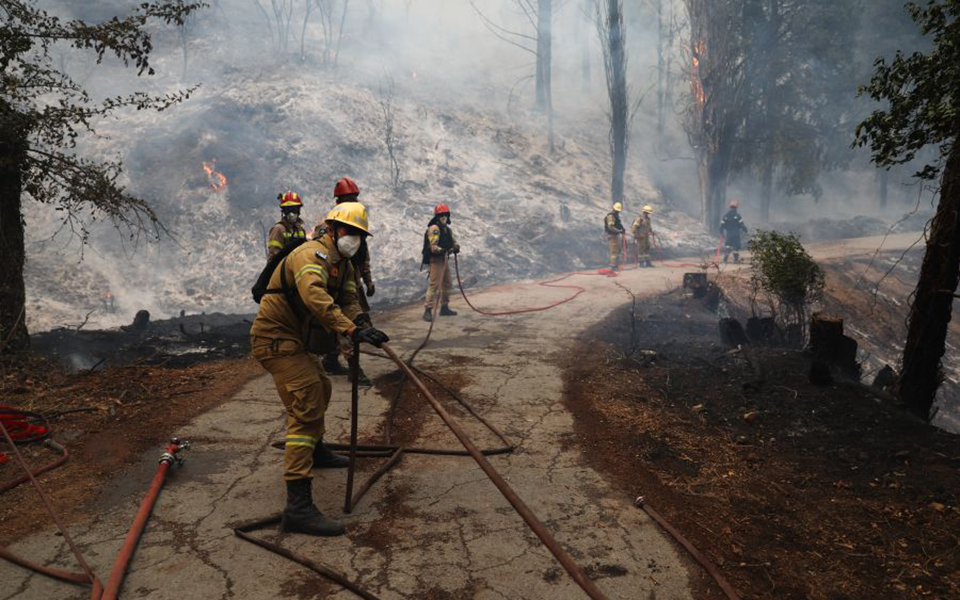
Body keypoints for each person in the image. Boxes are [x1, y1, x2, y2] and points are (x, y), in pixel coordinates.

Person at [250, 202, 389, 537]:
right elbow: (316, 298)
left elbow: (348, 299)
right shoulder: (311, 256)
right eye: (349, 232)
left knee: (322, 388)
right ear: (331, 229)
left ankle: (317, 449)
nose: (354, 239)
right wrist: (351, 331)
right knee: (308, 403)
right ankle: (298, 506)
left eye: (359, 234)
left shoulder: (343, 264)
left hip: (295, 339)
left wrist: (362, 322)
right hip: (275, 339)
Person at [312, 177, 375, 383]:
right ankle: (354, 368)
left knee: (358, 319)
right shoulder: (328, 226)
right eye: (347, 198)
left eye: (353, 198)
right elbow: (318, 255)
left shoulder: (357, 223)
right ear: (338, 201)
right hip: (333, 282)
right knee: (345, 324)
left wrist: (368, 280)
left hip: (352, 280)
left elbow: (363, 255)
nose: (351, 201)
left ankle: (330, 359)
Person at [421, 203, 459, 322]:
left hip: (444, 259)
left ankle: (444, 307)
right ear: (437, 217)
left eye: (445, 215)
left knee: (447, 283)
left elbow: (454, 242)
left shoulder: (447, 230)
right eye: (441, 215)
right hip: (436, 260)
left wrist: (456, 247)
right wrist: (443, 250)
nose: (444, 218)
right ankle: (428, 310)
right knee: (434, 285)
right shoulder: (434, 229)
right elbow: (433, 247)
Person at [267, 191, 307, 259]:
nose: (291, 214)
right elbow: (274, 254)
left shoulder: (301, 230)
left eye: (294, 209)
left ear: (298, 210)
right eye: (288, 210)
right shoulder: (278, 229)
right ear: (284, 211)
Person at [720, 199, 748, 264]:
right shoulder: (738, 216)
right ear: (736, 207)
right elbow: (742, 225)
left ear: (730, 207)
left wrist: (721, 232)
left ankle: (725, 259)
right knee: (736, 246)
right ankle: (735, 260)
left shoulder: (726, 215)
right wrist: (745, 230)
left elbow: (722, 225)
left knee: (728, 245)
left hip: (729, 234)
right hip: (736, 233)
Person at [604, 202, 626, 271]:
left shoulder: (615, 216)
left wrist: (622, 229)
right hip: (612, 235)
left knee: (617, 250)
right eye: (617, 211)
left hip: (615, 235)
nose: (618, 212)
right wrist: (619, 231)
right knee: (614, 252)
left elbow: (617, 224)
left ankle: (616, 266)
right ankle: (613, 266)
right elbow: (610, 226)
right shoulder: (611, 216)